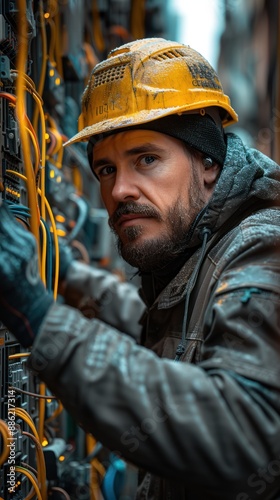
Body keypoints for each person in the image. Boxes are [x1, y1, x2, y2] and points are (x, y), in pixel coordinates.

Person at [0, 37, 280, 499]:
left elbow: (241, 431)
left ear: (208, 161)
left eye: (146, 159)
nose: (119, 191)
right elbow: (165, 337)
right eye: (106, 170)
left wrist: (41, 316)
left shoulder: (262, 248)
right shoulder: (198, 249)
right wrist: (63, 272)